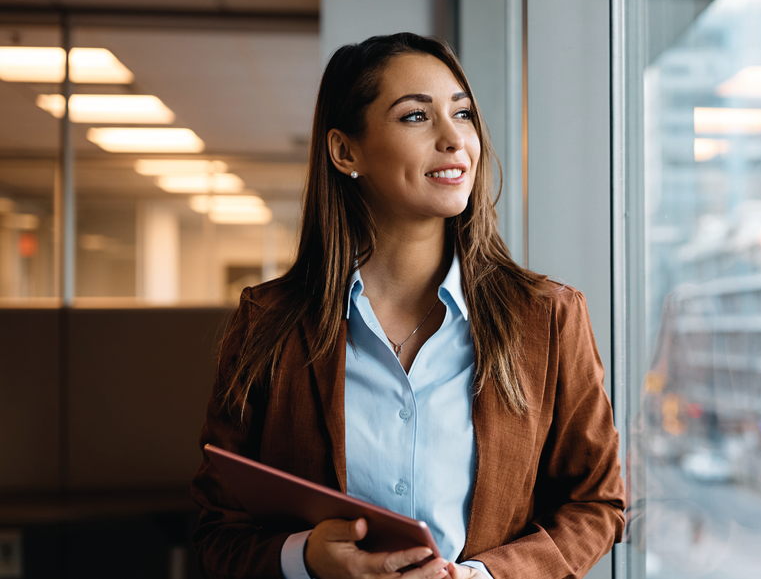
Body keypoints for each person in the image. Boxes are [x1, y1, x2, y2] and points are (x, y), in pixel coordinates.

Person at [190, 32, 625, 579]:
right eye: (416, 117)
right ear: (346, 151)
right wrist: (307, 556)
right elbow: (216, 532)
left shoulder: (549, 318)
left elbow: (598, 503)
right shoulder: (269, 323)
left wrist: (482, 578)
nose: (454, 139)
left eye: (462, 114)